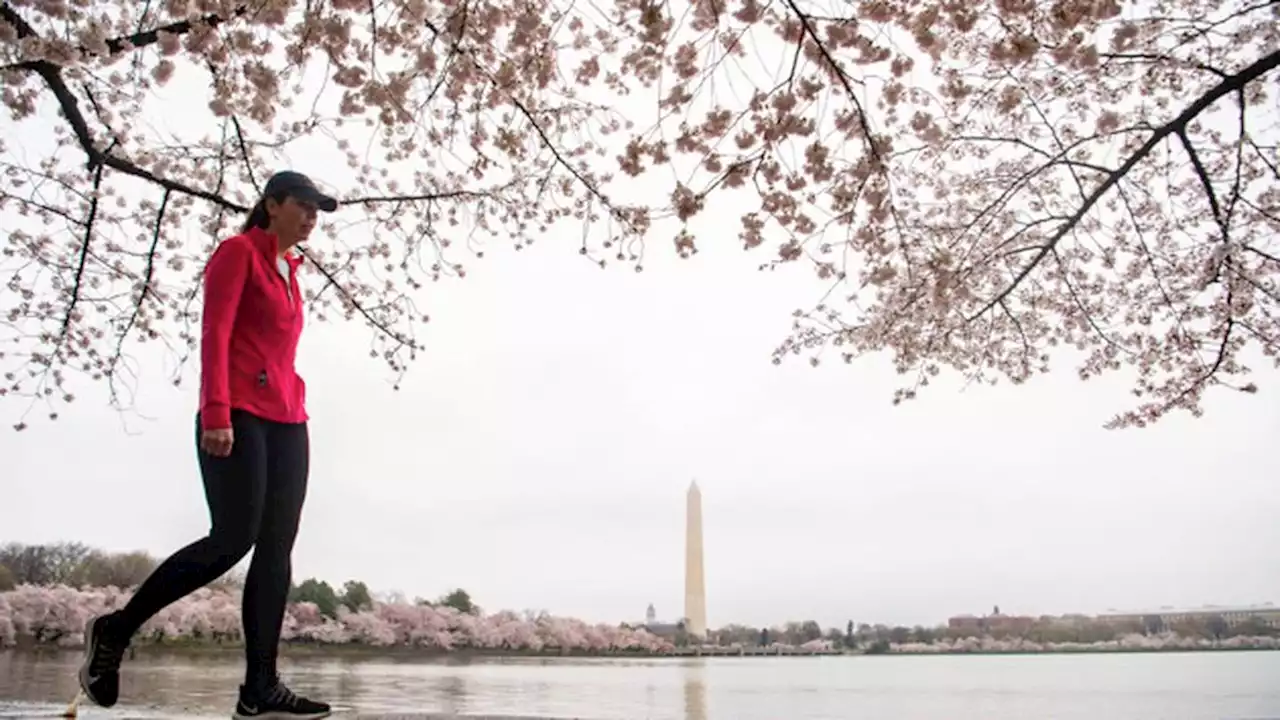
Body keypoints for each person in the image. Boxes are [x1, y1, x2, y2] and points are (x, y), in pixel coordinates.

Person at [78, 171, 339, 720]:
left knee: (277, 549)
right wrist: (216, 411)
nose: (313, 216)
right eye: (304, 205)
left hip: (289, 418)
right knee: (231, 539)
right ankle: (115, 630)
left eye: (319, 209)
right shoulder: (237, 253)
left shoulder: (292, 270)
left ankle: (259, 689)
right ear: (272, 204)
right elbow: (215, 333)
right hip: (237, 413)